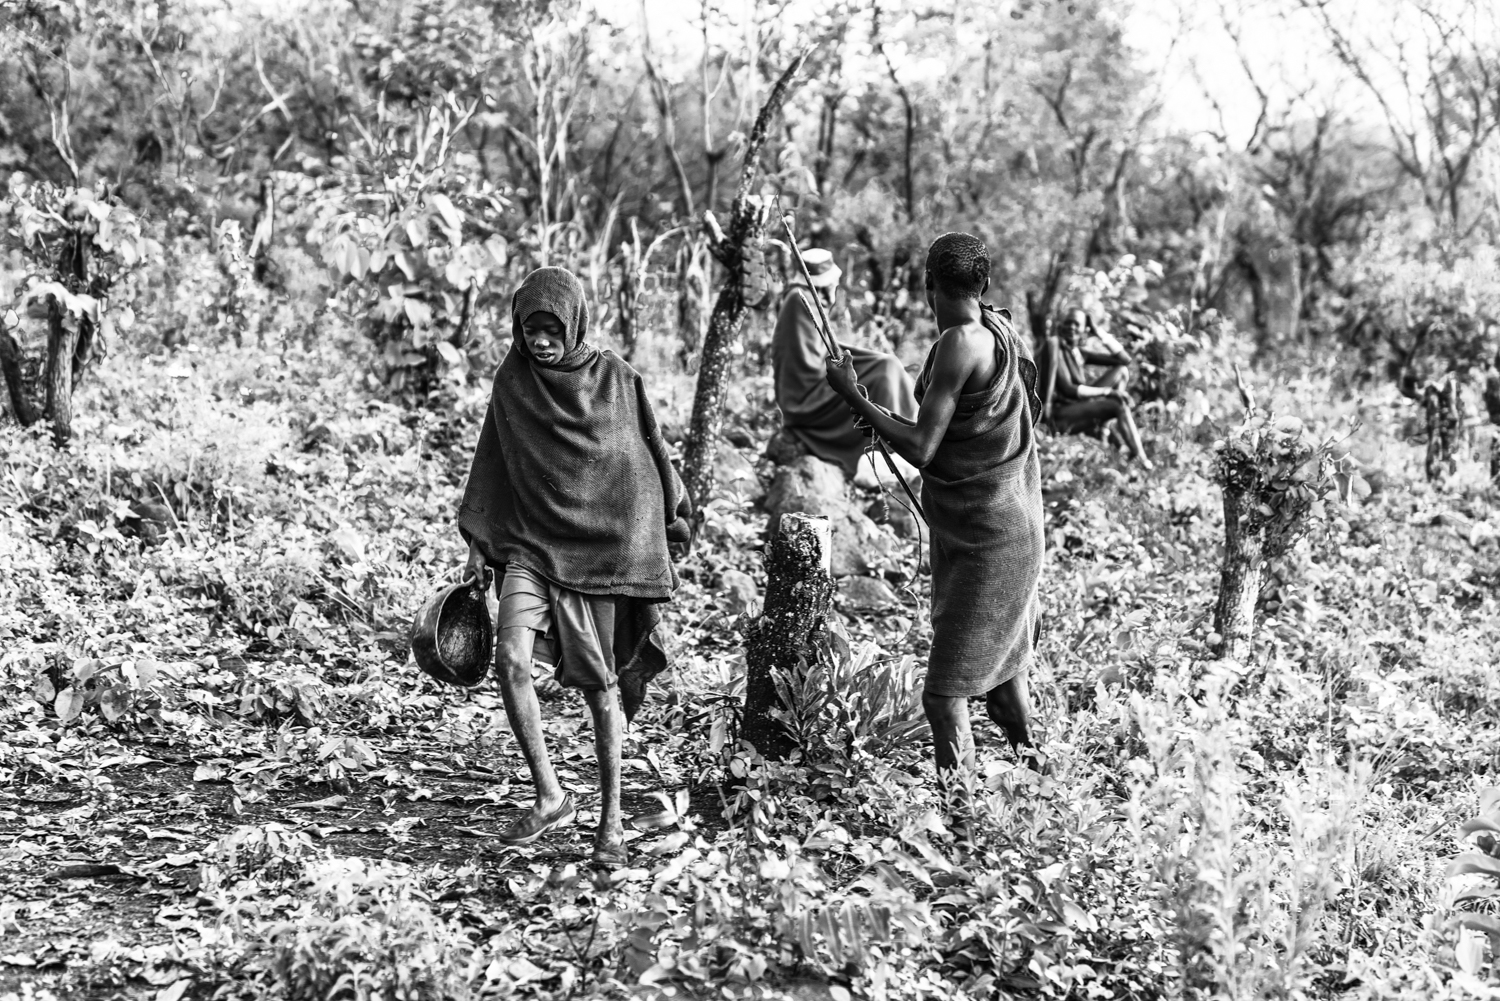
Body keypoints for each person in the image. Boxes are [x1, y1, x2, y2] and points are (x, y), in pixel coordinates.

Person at [458, 266, 692, 868]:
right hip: (531, 545)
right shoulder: (512, 381)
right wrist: (479, 543)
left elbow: (642, 461)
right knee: (510, 659)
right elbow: (493, 463)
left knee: (599, 686)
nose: (539, 341)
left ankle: (611, 820)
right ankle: (549, 795)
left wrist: (658, 524)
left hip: (598, 554)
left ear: (575, 325)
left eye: (551, 330)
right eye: (529, 329)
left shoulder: (615, 380)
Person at [824, 232, 1045, 822]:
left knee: (944, 695)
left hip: (990, 539)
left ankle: (963, 826)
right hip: (1009, 528)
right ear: (983, 283)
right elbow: (943, 432)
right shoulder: (999, 329)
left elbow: (923, 448)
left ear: (927, 284)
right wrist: (880, 413)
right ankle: (1044, 790)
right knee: (1004, 687)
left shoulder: (959, 342)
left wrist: (853, 395)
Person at [772, 247, 918, 481]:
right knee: (882, 373)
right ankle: (889, 446)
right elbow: (806, 364)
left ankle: (909, 434)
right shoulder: (799, 300)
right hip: (809, 394)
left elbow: (819, 345)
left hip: (822, 367)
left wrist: (849, 356)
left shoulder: (811, 298)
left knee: (888, 363)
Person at [1037, 305, 1154, 469]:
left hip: (1078, 407)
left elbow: (1124, 359)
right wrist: (1107, 392)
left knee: (1121, 371)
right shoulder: (1055, 346)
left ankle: (1105, 429)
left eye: (1077, 324)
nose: (1071, 327)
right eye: (1068, 322)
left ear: (1085, 329)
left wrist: (1098, 331)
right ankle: (1141, 458)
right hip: (1059, 415)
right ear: (1061, 326)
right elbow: (1068, 389)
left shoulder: (1080, 353)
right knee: (1117, 404)